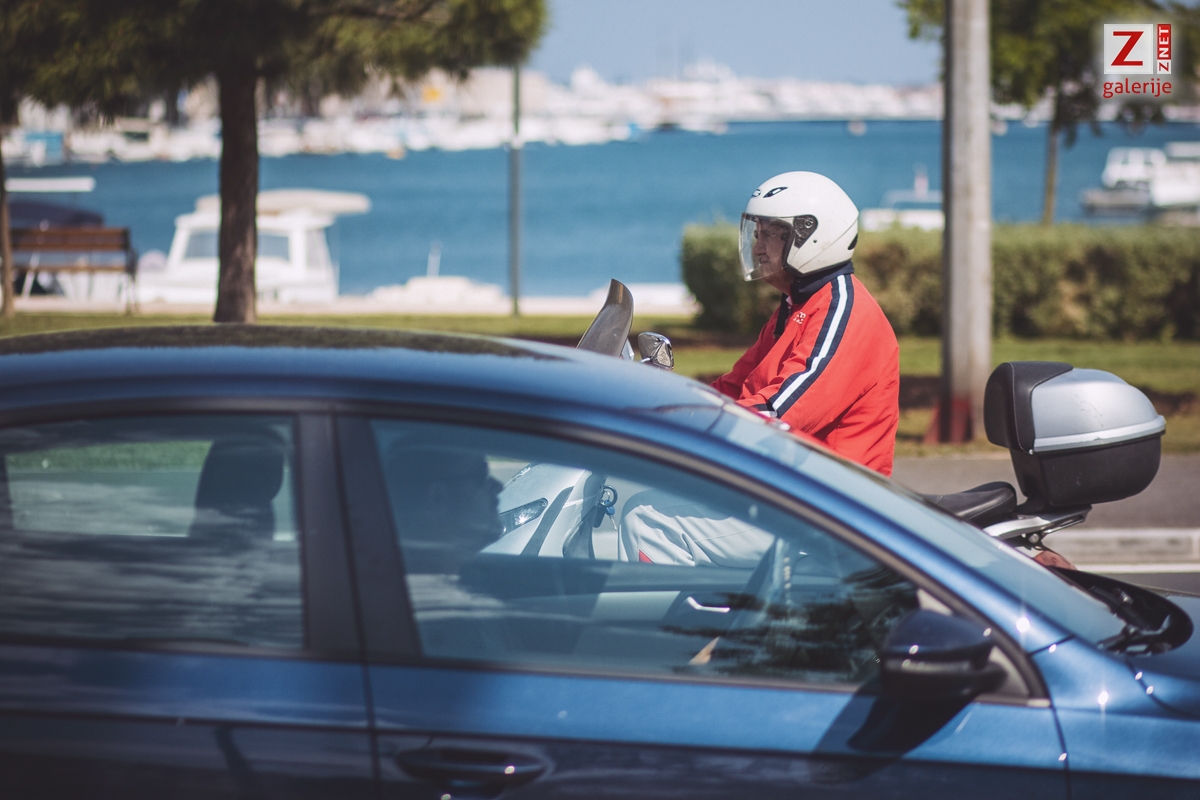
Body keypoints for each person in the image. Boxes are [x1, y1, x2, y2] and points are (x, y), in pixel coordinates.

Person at [712, 171, 900, 476]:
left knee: (649, 505)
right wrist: (668, 403)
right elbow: (733, 388)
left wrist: (698, 421)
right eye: (757, 234)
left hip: (832, 495)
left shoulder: (842, 311)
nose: (757, 248)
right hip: (784, 482)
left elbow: (779, 414)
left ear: (808, 236)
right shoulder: (797, 304)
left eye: (769, 234)